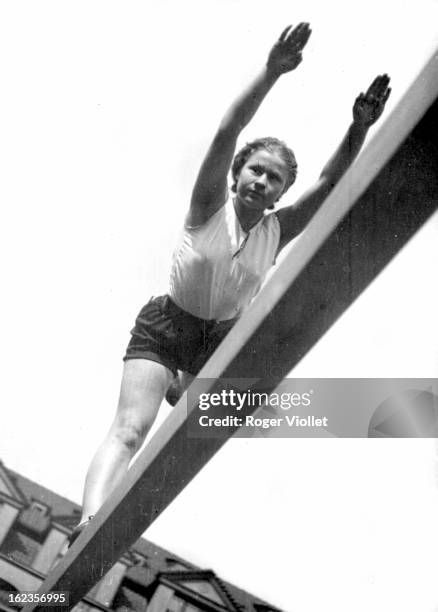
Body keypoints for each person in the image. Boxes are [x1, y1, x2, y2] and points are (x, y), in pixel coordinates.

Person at [69, 22, 391, 543]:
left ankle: (184, 386)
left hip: (219, 345)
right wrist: (271, 72)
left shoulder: (278, 229)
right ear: (238, 172)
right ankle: (87, 524)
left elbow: (330, 185)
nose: (261, 182)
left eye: (274, 180)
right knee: (130, 430)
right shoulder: (208, 204)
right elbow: (226, 132)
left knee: (231, 402)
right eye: (255, 171)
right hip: (166, 326)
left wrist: (359, 127)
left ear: (281, 191)